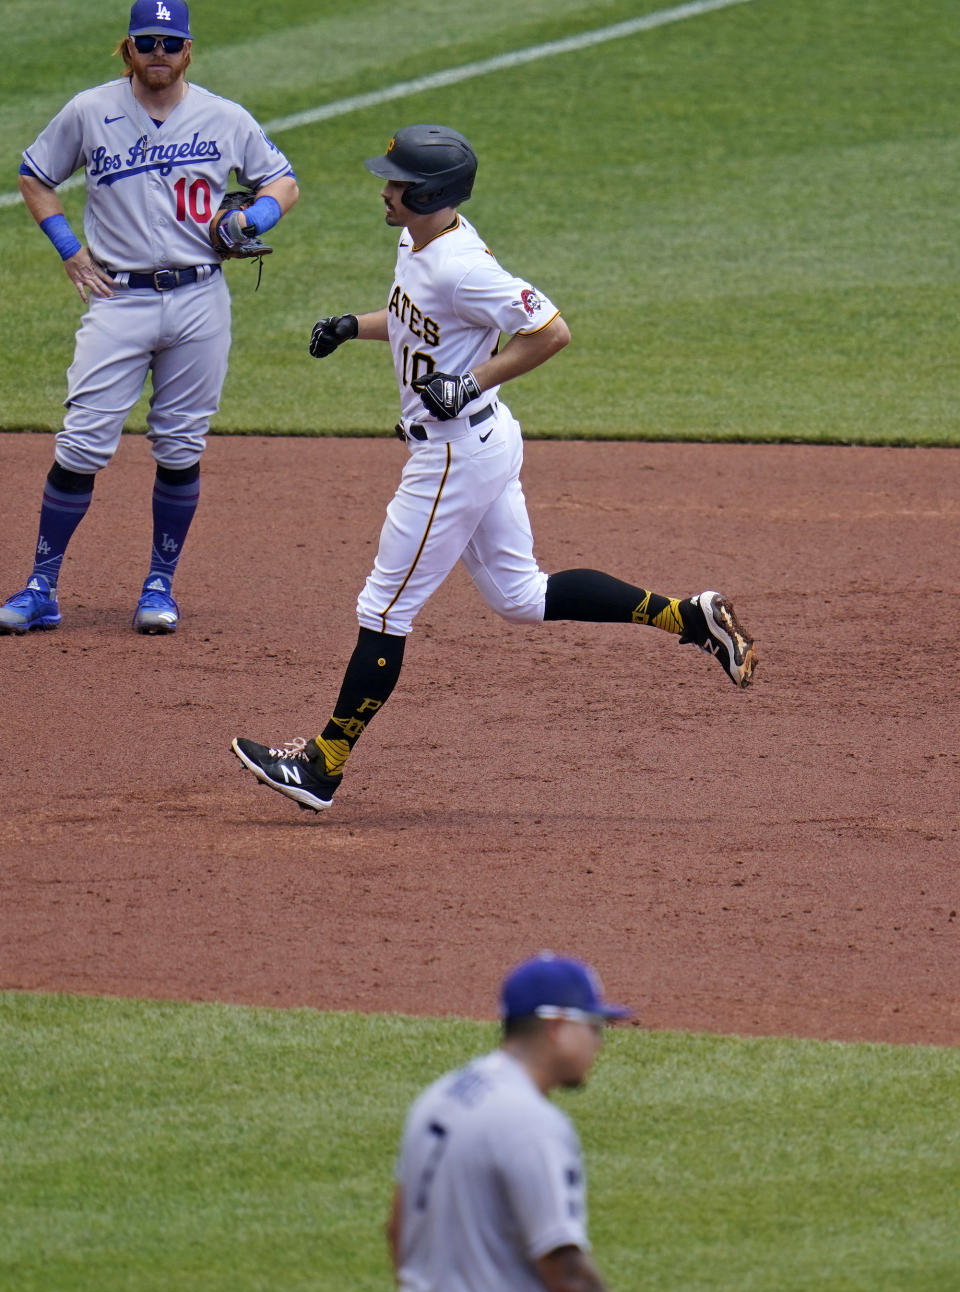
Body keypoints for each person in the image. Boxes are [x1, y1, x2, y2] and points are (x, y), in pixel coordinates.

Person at [230, 124, 756, 812]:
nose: (384, 191)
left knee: (384, 610)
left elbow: (551, 331)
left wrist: (472, 380)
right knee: (521, 597)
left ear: (428, 193)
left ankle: (322, 766)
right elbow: (419, 317)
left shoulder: (465, 266)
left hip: (452, 455)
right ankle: (688, 618)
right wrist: (351, 325)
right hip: (482, 444)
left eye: (395, 182)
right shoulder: (415, 239)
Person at [0, 0, 299, 637]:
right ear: (127, 48)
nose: (158, 53)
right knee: (81, 446)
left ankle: (159, 583)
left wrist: (253, 219)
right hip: (118, 299)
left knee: (181, 444)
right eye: (146, 42)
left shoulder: (224, 116)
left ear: (188, 50)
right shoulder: (89, 110)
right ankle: (41, 586)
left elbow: (282, 182)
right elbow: (34, 176)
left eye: (170, 42)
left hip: (199, 299)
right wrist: (69, 251)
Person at [384, 951, 700, 1292]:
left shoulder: (449, 1091)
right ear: (556, 1027)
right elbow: (567, 1272)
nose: (600, 1040)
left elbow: (397, 1227)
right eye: (593, 1026)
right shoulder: (532, 1124)